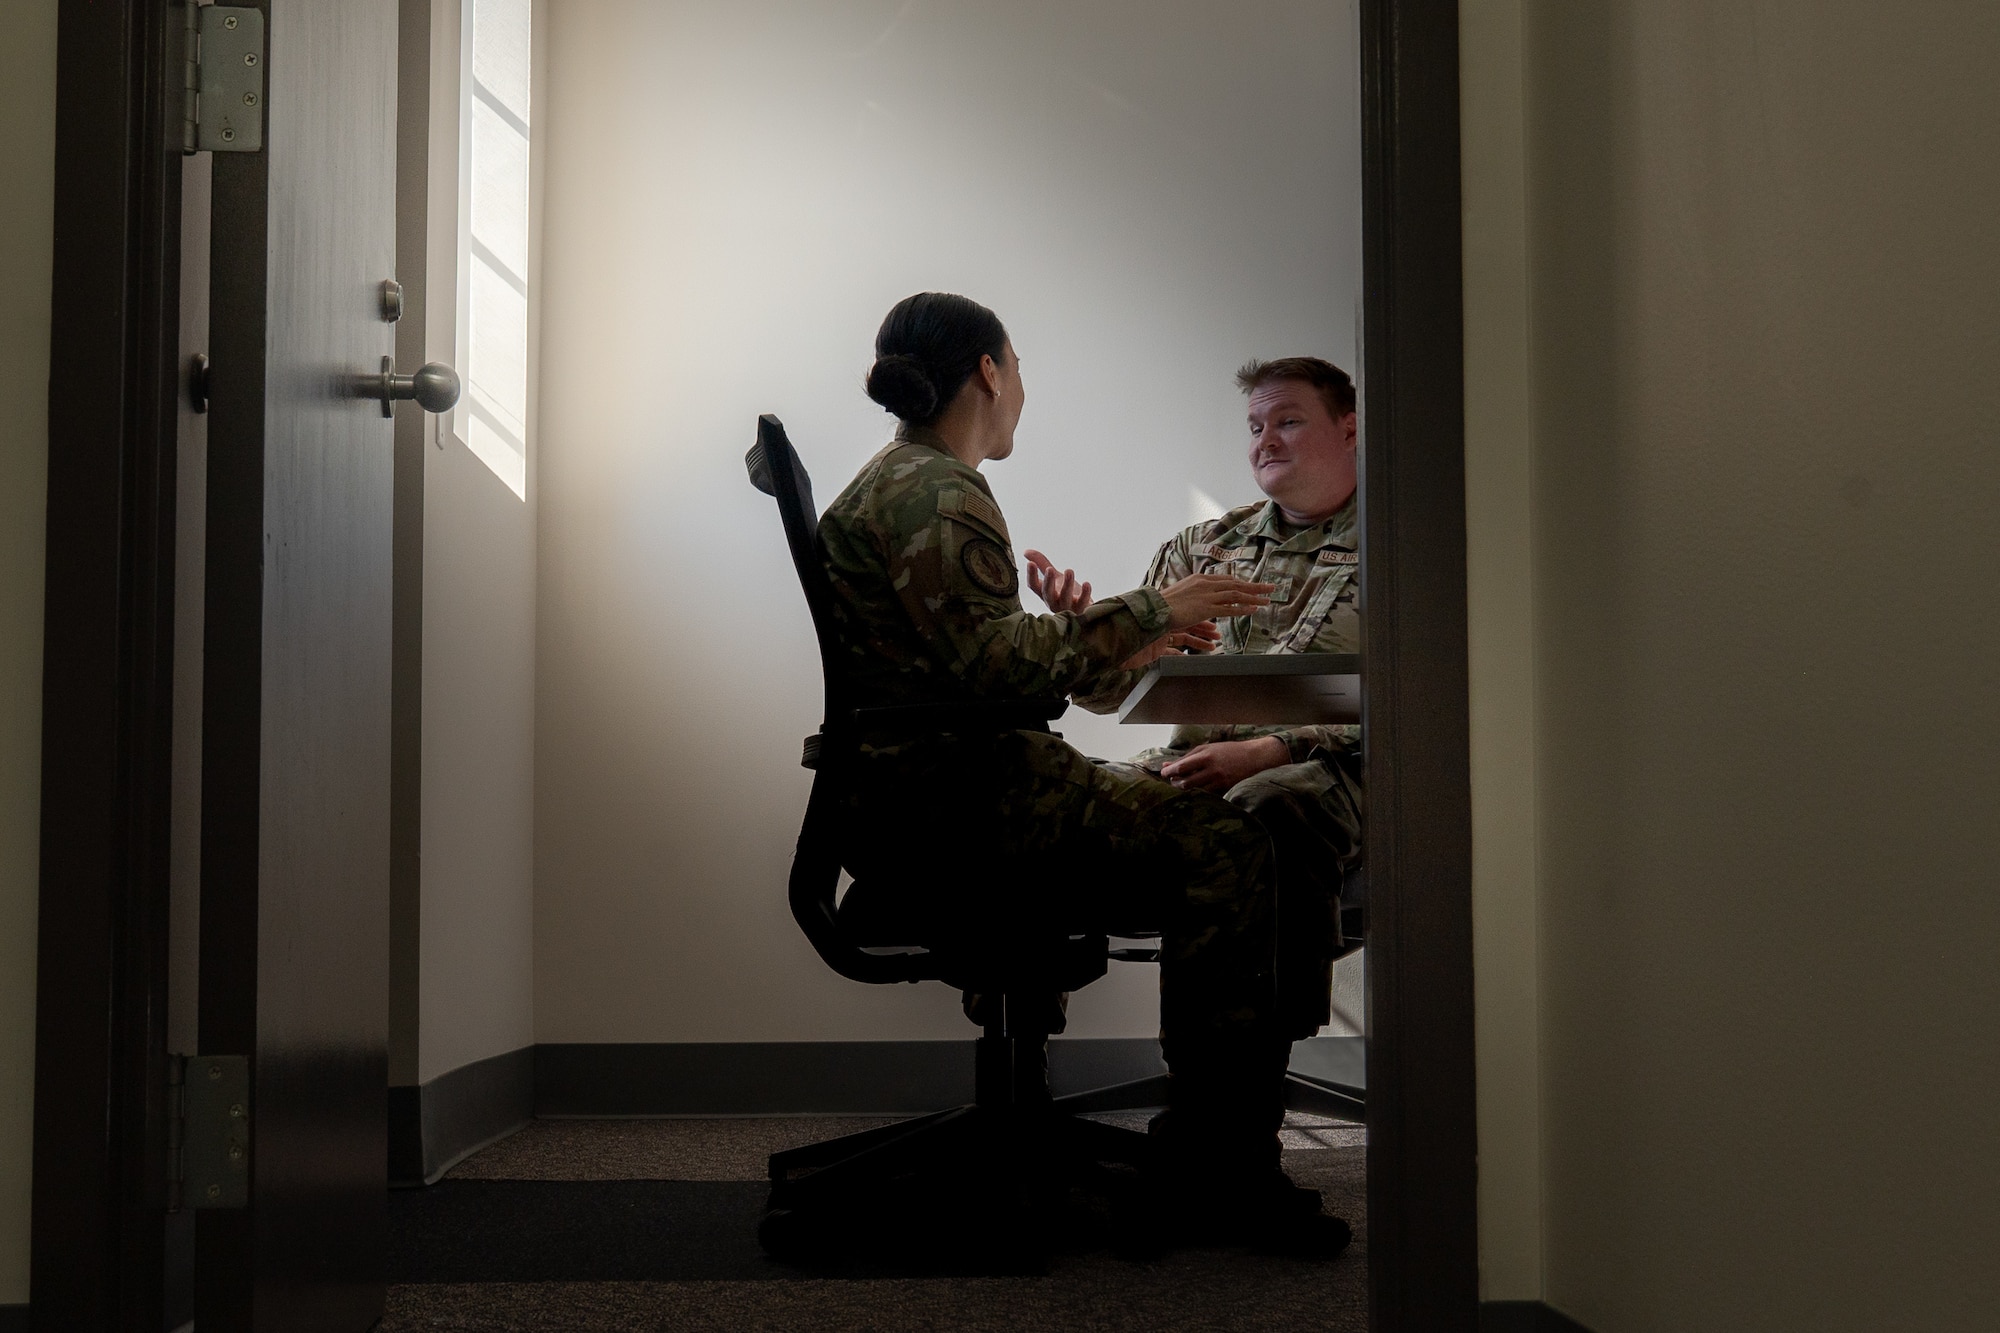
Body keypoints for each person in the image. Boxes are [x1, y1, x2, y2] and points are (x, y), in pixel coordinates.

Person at [817, 292, 1349, 1255]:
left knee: (1229, 816)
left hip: (927, 795)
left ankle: (1154, 1138)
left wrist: (1093, 629)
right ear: (989, 372)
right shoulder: (939, 491)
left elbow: (992, 662)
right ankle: (1224, 1172)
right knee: (1232, 846)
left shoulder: (903, 481)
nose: (1021, 387)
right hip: (969, 800)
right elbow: (997, 668)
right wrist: (1144, 612)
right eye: (1016, 366)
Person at [1032, 357, 1364, 1042]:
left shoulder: (1404, 543)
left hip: (1345, 773)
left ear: (1350, 429)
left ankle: (1228, 1080)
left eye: (1288, 421)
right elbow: (1118, 694)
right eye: (1255, 426)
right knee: (1052, 797)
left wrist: (1275, 748)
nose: (1265, 440)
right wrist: (1088, 637)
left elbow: (1430, 697)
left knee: (1265, 804)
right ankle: (1021, 1061)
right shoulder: (1205, 547)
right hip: (1195, 765)